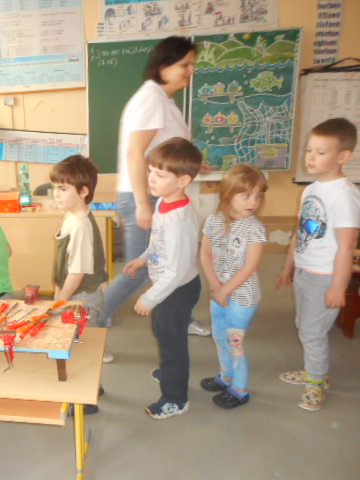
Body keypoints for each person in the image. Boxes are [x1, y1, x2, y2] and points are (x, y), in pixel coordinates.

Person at [100, 36, 208, 361]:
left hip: (156, 195)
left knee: (173, 260)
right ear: (164, 66)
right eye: (185, 64)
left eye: (192, 64)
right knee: (139, 270)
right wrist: (143, 203)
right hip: (143, 195)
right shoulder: (151, 99)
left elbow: (165, 150)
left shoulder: (165, 100)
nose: (190, 71)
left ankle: (181, 317)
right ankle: (90, 323)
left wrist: (193, 165)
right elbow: (135, 153)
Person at [276, 117, 360, 411]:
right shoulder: (310, 190)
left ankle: (316, 382)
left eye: (320, 152)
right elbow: (300, 232)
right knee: (304, 325)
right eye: (309, 150)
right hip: (305, 270)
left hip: (325, 275)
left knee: (312, 332)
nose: (310, 157)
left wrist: (338, 287)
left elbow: (346, 246)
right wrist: (289, 266)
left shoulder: (345, 195)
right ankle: (314, 371)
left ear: (343, 156)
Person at [125, 137, 202, 420]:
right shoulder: (164, 203)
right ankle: (171, 372)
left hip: (177, 288)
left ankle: (175, 398)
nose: (151, 179)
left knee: (172, 344)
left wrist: (149, 298)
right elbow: (158, 240)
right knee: (162, 330)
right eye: (150, 171)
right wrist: (144, 258)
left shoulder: (179, 221)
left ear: (182, 181)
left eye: (159, 175)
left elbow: (176, 271)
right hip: (166, 286)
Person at [199, 164, 268, 409]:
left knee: (234, 342)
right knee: (219, 336)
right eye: (247, 195)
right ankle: (226, 377)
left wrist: (224, 290)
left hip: (242, 298)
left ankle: (239, 390)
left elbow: (250, 267)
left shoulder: (255, 228)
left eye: (259, 195)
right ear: (228, 193)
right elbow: (205, 254)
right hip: (219, 293)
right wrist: (216, 286)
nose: (254, 201)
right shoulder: (213, 221)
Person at [51, 154, 109, 415]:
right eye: (55, 187)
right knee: (77, 344)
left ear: (83, 191)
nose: (56, 194)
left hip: (81, 299)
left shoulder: (81, 225)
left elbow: (77, 273)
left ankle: (86, 399)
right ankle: (93, 387)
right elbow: (65, 264)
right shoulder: (71, 216)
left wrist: (60, 300)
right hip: (72, 295)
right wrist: (59, 293)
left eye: (63, 188)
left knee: (82, 348)